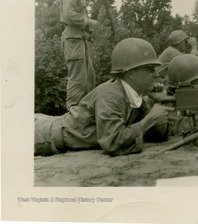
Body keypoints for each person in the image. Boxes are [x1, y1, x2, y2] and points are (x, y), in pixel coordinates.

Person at [34, 38, 172, 157]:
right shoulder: (110, 94)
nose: (155, 74)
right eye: (149, 69)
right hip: (43, 135)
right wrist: (150, 119)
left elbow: (157, 136)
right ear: (130, 73)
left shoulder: (133, 96)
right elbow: (112, 143)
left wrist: (159, 100)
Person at [60, 0, 99, 109]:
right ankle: (72, 116)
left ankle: (83, 114)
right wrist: (87, 22)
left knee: (89, 79)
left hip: (79, 39)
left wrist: (86, 27)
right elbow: (68, 15)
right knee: (77, 80)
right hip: (73, 40)